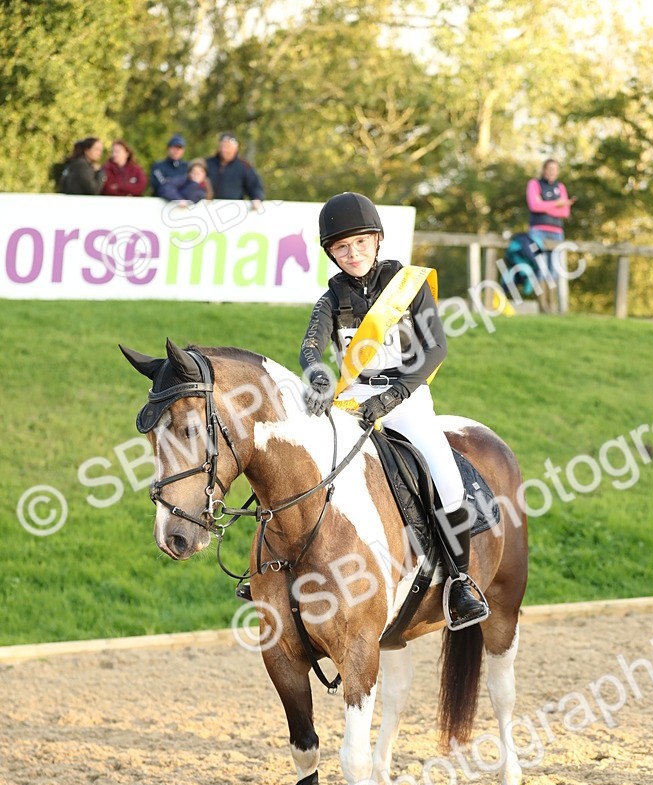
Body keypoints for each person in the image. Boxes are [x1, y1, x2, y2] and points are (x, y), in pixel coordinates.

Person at [298, 192, 489, 630]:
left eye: (360, 243)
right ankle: (286, 568)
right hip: (352, 400)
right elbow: (311, 347)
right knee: (306, 467)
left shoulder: (408, 286)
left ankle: (460, 582)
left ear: (378, 240)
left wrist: (395, 395)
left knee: (445, 475)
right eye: (341, 248)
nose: (352, 253)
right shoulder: (330, 300)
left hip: (407, 399)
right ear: (331, 252)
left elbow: (435, 347)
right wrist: (318, 375)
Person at [526, 158, 575, 304]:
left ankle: (551, 305)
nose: (553, 172)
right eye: (550, 169)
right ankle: (543, 307)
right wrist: (557, 204)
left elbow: (565, 212)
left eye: (555, 169)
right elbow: (534, 206)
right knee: (540, 268)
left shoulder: (560, 187)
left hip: (556, 232)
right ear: (544, 170)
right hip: (538, 231)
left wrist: (545, 206)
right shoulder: (534, 184)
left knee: (554, 270)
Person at [205, 133, 264, 209]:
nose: (224, 150)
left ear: (236, 147)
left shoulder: (244, 166)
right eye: (221, 146)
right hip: (207, 209)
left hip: (233, 209)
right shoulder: (207, 163)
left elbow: (255, 187)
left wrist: (257, 199)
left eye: (227, 147)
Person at [150, 134, 188, 199]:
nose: (176, 151)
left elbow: (189, 187)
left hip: (183, 206)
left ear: (183, 151)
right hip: (160, 205)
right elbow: (162, 187)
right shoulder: (158, 166)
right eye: (174, 147)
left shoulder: (187, 167)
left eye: (179, 148)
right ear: (168, 149)